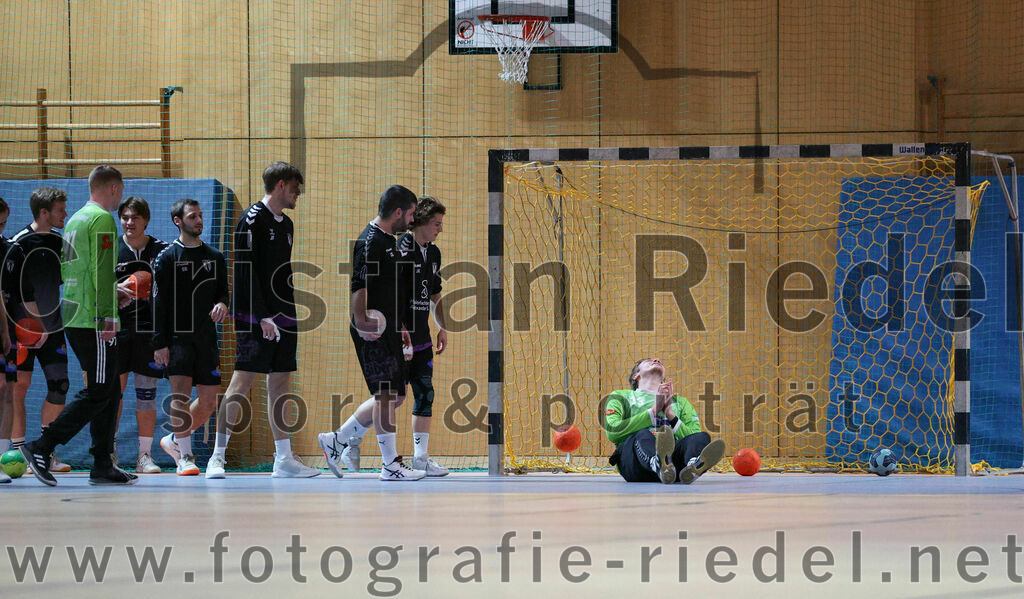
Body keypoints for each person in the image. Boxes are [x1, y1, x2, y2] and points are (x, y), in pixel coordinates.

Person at [21, 165, 135, 486]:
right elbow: (100, 271)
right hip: (92, 319)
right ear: (113, 188)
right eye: (121, 190)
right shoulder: (101, 219)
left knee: (110, 389)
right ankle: (41, 446)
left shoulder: (74, 220)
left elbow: (80, 271)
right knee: (99, 391)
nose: (121, 197)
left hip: (75, 313)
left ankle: (102, 463)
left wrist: (114, 292)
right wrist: (107, 314)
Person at [325, 197, 450, 476]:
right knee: (392, 397)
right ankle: (350, 441)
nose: (440, 229)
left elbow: (434, 291)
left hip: (422, 335)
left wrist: (443, 325)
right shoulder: (398, 247)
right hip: (399, 332)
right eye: (436, 224)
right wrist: (397, 325)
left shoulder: (434, 253)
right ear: (417, 221)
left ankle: (418, 459)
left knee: (422, 393)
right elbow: (386, 291)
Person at [211, 161, 319, 479]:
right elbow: (244, 274)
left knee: (281, 382)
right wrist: (262, 316)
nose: (298, 194)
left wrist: (283, 314)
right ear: (281, 185)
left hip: (284, 314)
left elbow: (280, 274)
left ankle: (283, 459)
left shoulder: (286, 224)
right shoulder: (251, 220)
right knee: (241, 382)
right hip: (254, 317)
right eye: (296, 188)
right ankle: (216, 457)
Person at [152, 199, 228, 476]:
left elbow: (223, 291)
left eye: (200, 216)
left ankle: (173, 440)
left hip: (206, 338)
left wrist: (223, 303)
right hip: (177, 339)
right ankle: (185, 455)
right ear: (178, 221)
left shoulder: (215, 256)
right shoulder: (167, 257)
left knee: (209, 401)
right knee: (180, 398)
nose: (198, 220)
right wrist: (159, 342)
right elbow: (158, 303)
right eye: (192, 216)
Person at [10, 187, 71, 473]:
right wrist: (34, 325)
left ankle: (45, 451)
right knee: (18, 388)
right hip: (21, 330)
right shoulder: (19, 243)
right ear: (44, 212)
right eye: (60, 210)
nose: (65, 214)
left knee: (60, 388)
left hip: (54, 329)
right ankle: (17, 453)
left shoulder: (60, 242)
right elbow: (17, 291)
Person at [604, 358, 725, 484]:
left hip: (673, 469)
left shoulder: (680, 402)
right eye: (648, 360)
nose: (656, 360)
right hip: (634, 465)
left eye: (657, 360)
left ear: (663, 379)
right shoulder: (620, 396)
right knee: (643, 434)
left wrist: (670, 414)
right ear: (636, 375)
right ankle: (657, 463)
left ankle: (692, 466)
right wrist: (653, 411)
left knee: (701, 437)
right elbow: (613, 432)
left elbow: (693, 436)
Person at [113, 197, 168, 474]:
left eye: (134, 217)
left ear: (146, 220)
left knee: (146, 394)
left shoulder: (161, 250)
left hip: (148, 333)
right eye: (124, 217)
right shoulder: (110, 249)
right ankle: (108, 453)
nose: (129, 222)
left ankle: (144, 456)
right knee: (114, 395)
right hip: (118, 332)